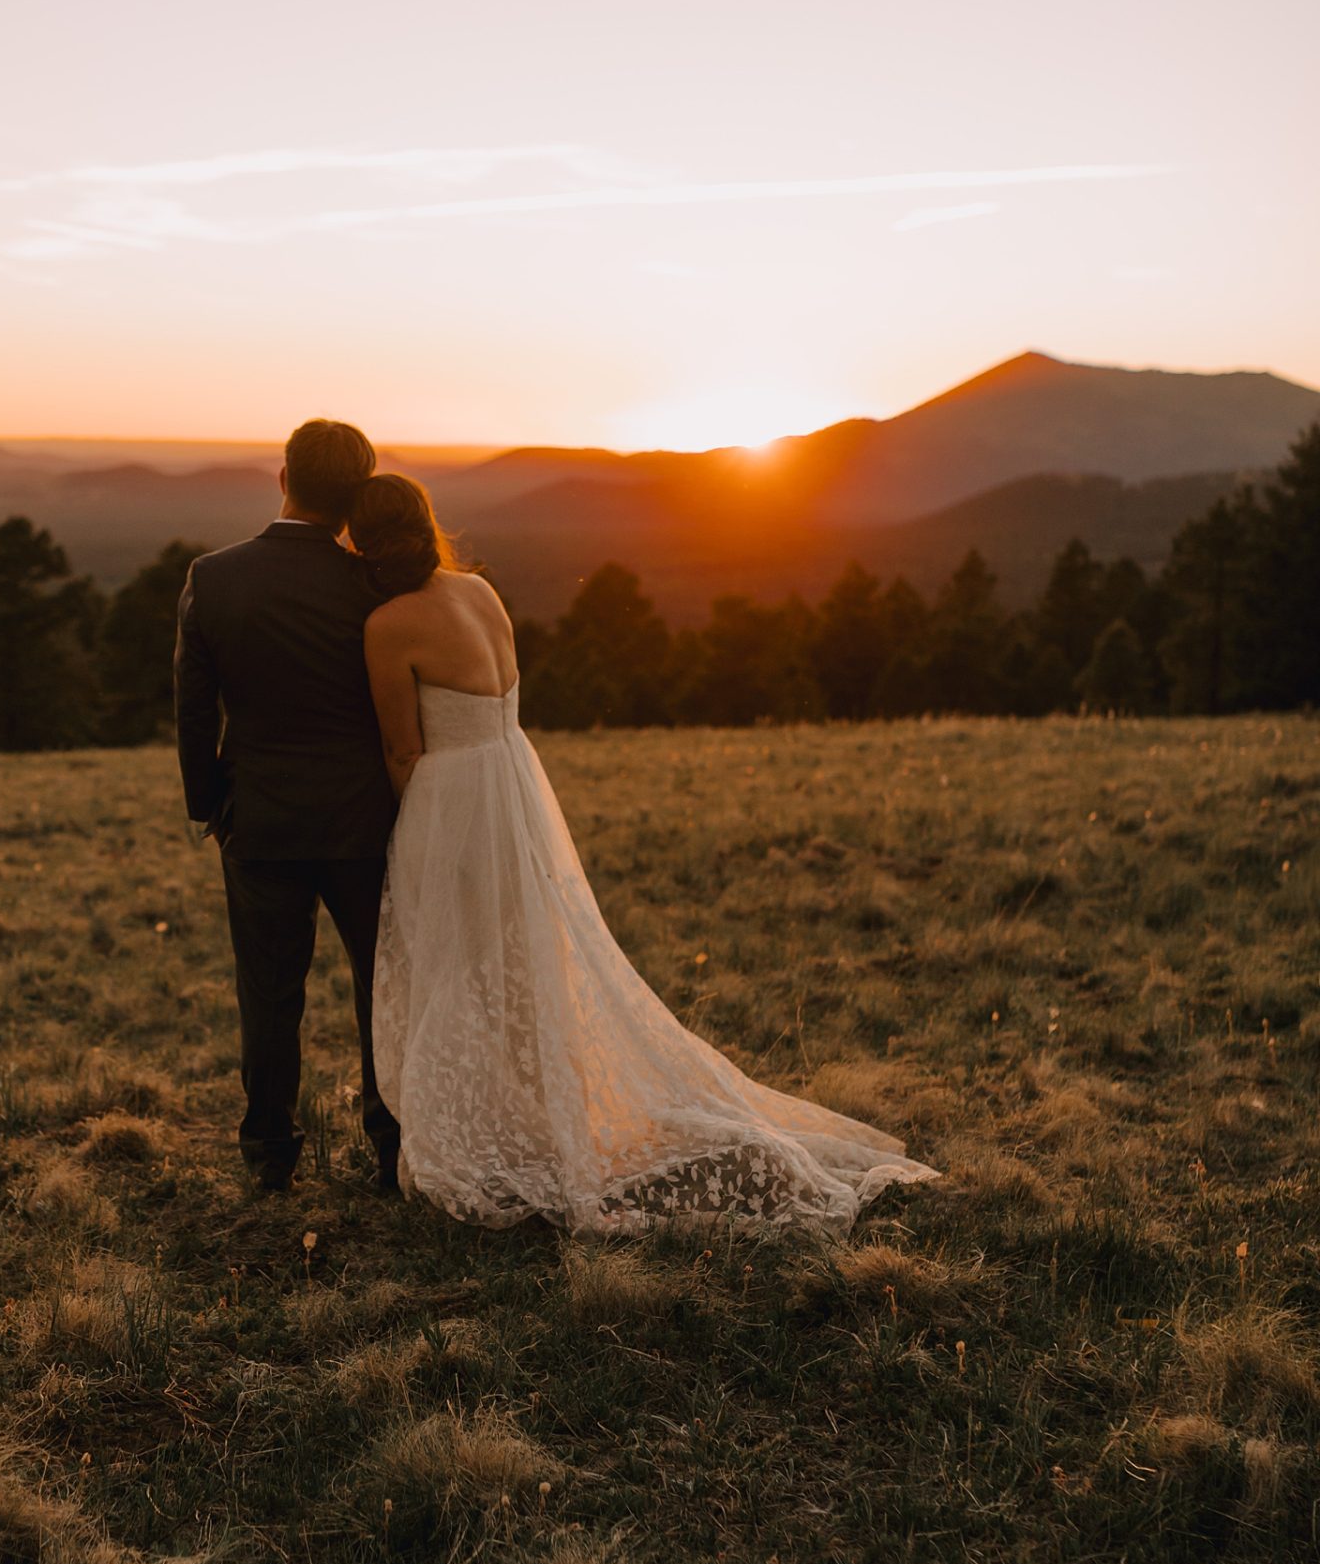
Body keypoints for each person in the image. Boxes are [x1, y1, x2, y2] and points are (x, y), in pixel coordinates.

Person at [348, 472, 938, 1231]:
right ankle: (536, 1102)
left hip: (454, 798)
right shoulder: (480, 594)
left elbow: (402, 748)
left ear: (361, 544)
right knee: (522, 956)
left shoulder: (387, 624)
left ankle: (496, 1121)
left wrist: (412, 829)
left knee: (456, 964)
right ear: (425, 525)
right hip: (514, 781)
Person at [175, 418, 400, 1195]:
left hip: (260, 818)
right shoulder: (374, 584)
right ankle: (392, 1147)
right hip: (366, 820)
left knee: (268, 992)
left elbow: (195, 711)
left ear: (283, 478)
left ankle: (270, 1150)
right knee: (384, 988)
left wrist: (210, 805)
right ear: (354, 498)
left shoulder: (214, 576)